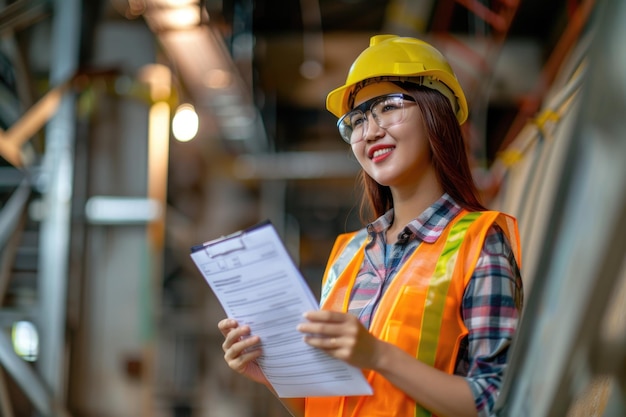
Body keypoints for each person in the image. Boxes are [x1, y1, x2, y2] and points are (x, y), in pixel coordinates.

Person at [218, 34, 523, 417]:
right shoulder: (348, 255)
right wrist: (270, 371)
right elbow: (323, 404)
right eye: (358, 120)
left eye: (388, 107)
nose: (370, 131)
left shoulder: (480, 242)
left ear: (437, 112)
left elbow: (500, 402)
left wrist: (379, 355)